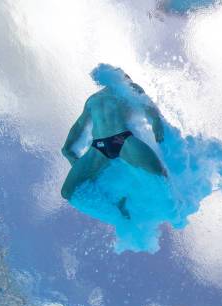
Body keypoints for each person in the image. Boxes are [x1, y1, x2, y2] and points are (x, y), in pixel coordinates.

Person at [60, 65, 167, 217]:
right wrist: (67, 147)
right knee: (67, 192)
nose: (126, 77)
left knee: (159, 173)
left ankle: (166, 205)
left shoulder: (128, 89)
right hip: (99, 147)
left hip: (121, 139)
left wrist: (155, 119)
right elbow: (79, 125)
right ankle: (116, 207)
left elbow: (145, 104)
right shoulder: (92, 100)